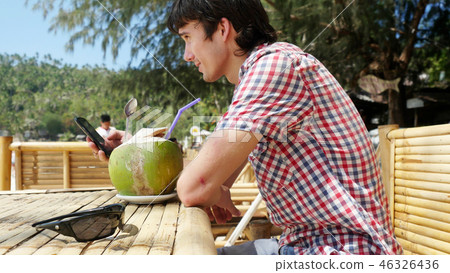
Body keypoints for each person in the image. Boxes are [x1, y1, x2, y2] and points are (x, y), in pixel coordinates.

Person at [89, 0, 402, 255]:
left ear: (222, 29)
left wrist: (209, 184)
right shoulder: (255, 81)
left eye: (187, 38)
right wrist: (132, 152)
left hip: (344, 253)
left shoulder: (274, 67)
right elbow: (213, 177)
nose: (186, 55)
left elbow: (195, 185)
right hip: (306, 246)